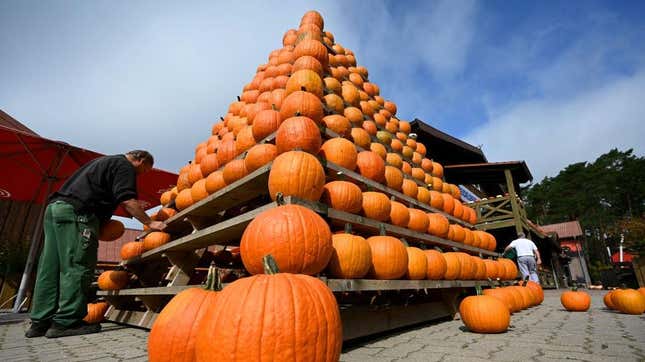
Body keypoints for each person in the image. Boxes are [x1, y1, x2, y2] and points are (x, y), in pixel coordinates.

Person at [25, 150, 166, 338]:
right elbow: (127, 200)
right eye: (144, 170)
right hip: (79, 214)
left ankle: (40, 322)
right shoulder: (124, 166)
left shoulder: (102, 162)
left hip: (56, 210)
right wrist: (150, 222)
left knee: (50, 267)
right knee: (78, 266)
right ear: (140, 160)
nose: (142, 174)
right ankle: (67, 322)